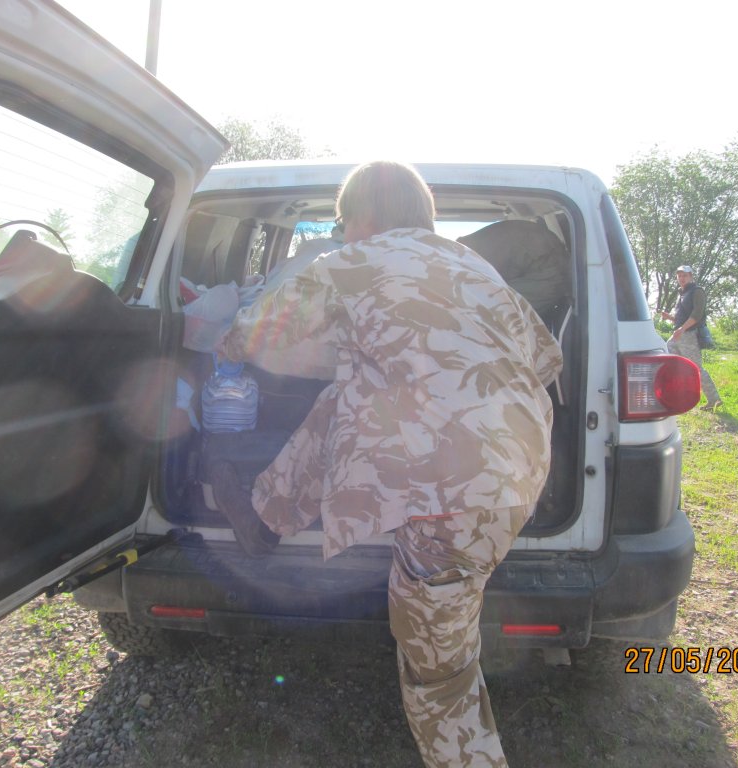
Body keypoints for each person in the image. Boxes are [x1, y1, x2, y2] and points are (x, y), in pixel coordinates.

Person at [213, 160, 562, 767]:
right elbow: (547, 358)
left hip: (452, 497)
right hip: (520, 466)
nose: (343, 233)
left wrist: (222, 348)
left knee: (440, 678)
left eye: (343, 223)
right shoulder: (475, 267)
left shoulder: (350, 262)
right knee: (346, 399)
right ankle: (266, 519)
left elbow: (255, 331)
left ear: (363, 219)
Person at [660, 265, 723, 410]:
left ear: (691, 277)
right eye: (679, 276)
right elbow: (681, 318)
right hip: (679, 334)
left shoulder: (697, 291)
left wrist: (682, 329)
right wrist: (669, 317)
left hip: (690, 335)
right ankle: (677, 394)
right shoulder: (682, 293)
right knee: (670, 360)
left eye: (685, 275)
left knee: (696, 368)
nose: (682, 278)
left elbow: (697, 315)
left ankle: (714, 399)